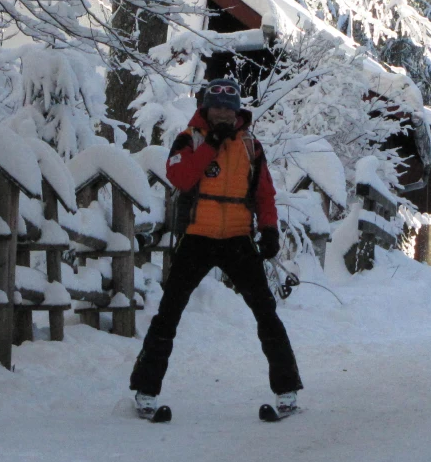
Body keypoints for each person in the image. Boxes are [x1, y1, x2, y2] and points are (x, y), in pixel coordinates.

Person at [129, 79, 303, 417]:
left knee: (266, 313)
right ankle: (145, 391)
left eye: (229, 106)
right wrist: (210, 143)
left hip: (238, 238)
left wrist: (269, 230)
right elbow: (180, 179)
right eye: (216, 106)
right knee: (169, 314)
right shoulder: (188, 140)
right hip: (197, 237)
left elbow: (265, 192)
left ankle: (287, 390)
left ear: (237, 109)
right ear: (205, 108)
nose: (222, 112)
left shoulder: (251, 145)